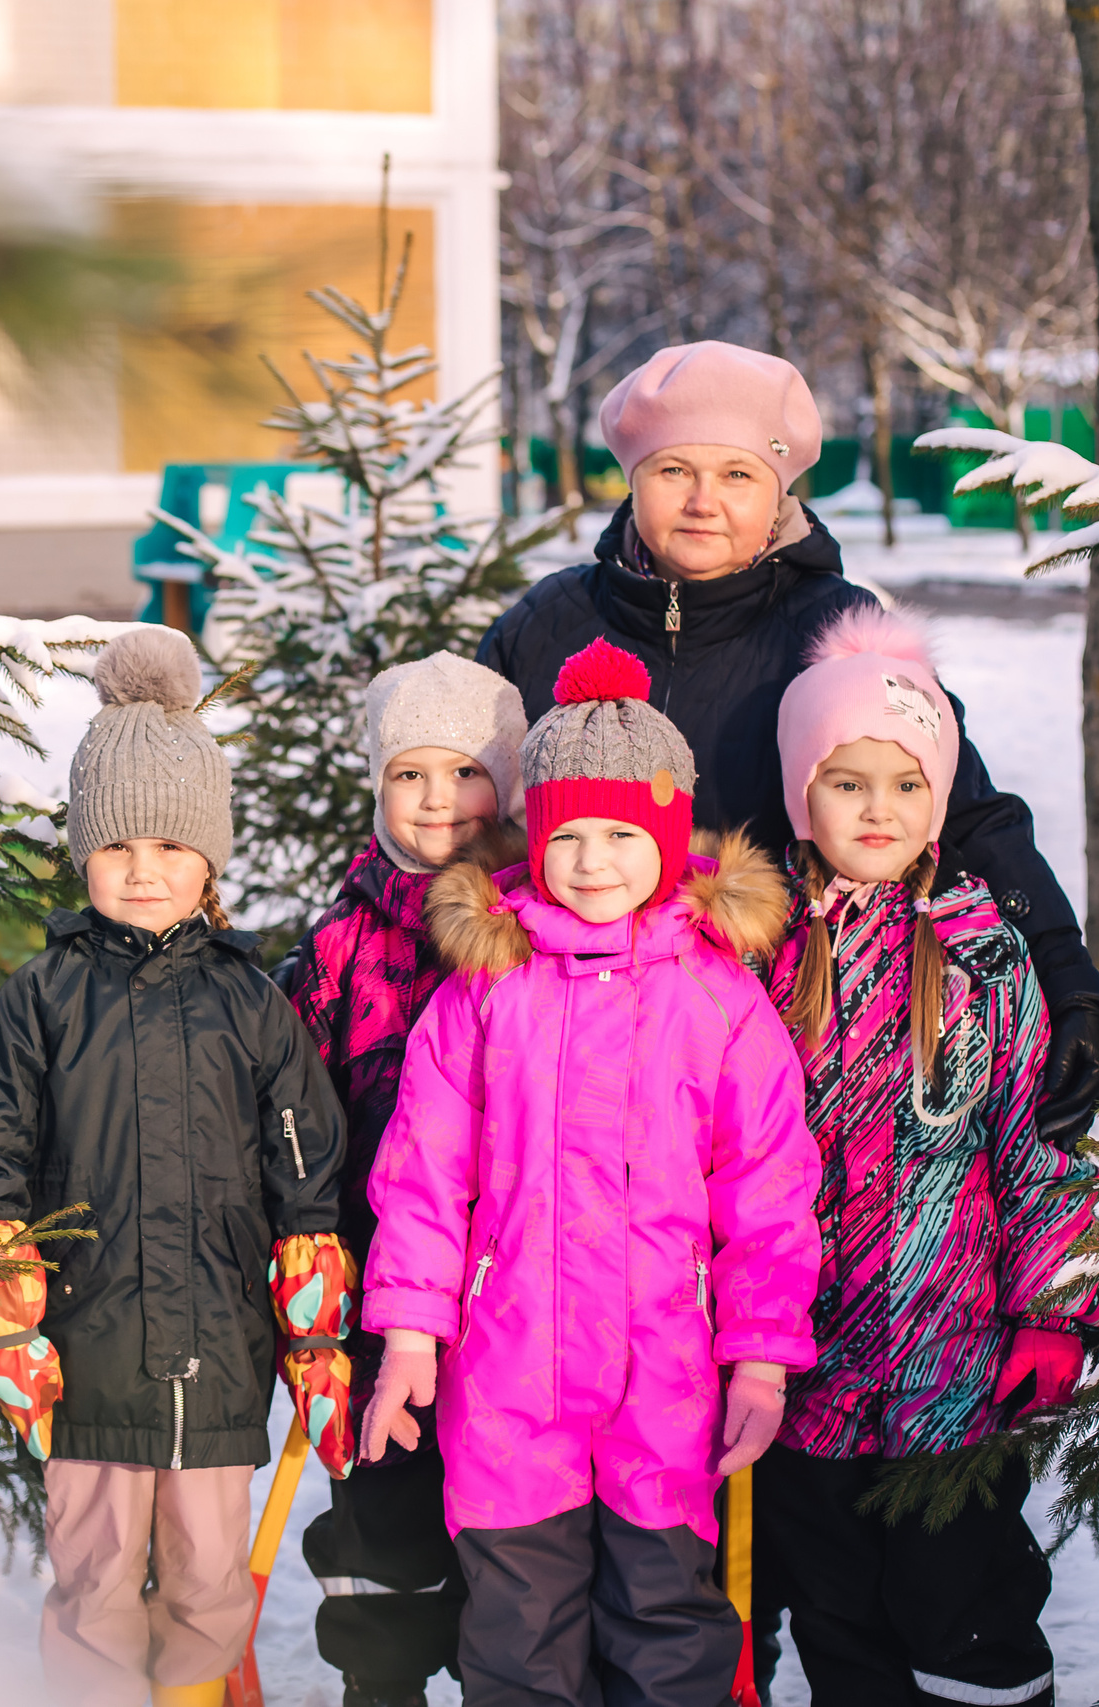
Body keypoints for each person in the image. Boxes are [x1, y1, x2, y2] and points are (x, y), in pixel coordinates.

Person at [474, 342, 1099, 1155]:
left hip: (783, 1053)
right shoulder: (545, 627)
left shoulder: (838, 632)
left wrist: (1066, 976)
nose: (704, 501)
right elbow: (451, 805)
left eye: (737, 475)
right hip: (568, 1061)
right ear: (632, 478)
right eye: (674, 470)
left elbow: (964, 810)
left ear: (778, 491)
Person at [356, 638, 822, 1707]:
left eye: (623, 834)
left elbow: (764, 1191)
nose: (594, 861)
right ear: (535, 836)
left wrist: (759, 1355)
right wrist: (412, 1336)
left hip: (663, 1378)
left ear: (667, 842)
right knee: (518, 1637)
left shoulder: (715, 999)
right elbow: (427, 1174)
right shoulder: (486, 990)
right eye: (568, 834)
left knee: (666, 1627)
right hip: (507, 1377)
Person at [0, 626, 355, 1707]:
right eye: (119, 847)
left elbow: (304, 1163)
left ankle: (196, 1695)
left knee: (213, 1580)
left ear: (208, 859)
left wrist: (311, 1321)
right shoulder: (42, 998)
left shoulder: (250, 1001)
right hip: (86, 1357)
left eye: (172, 849)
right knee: (92, 1579)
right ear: (83, 853)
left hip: (219, 1357)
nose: (144, 871)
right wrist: (5, 1297)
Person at [750, 608, 1099, 1707]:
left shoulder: (986, 956)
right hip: (799, 1381)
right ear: (800, 793)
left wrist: (1052, 1308)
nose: (877, 810)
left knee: (966, 1623)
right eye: (847, 782)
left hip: (951, 1375)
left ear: (941, 802)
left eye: (906, 785)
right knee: (840, 1621)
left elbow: (1030, 1147)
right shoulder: (756, 954)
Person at [274, 653, 529, 1707]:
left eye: (464, 773)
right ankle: (379, 1685)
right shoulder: (338, 945)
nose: (437, 802)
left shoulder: (544, 930)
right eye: (408, 776)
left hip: (517, 1310)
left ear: (507, 786)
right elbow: (292, 1120)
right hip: (380, 1302)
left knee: (508, 1554)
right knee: (382, 1525)